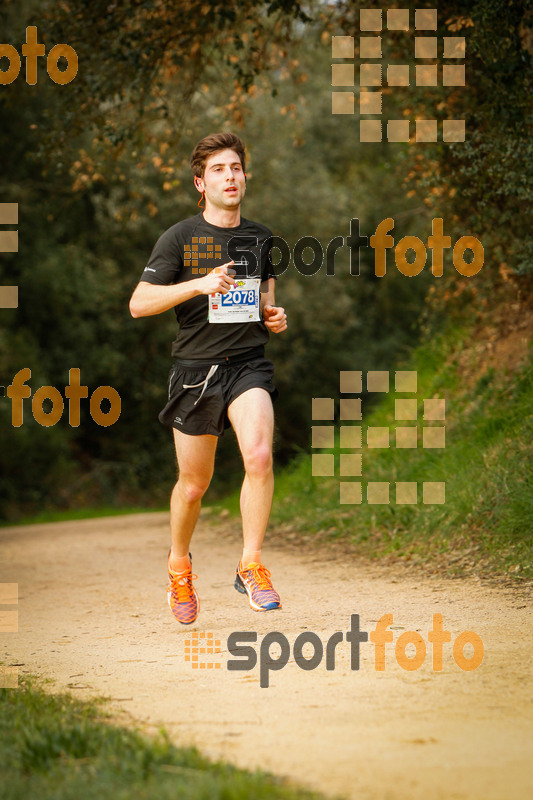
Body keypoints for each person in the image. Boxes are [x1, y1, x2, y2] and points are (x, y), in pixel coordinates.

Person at [129, 132, 287, 625]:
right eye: (219, 169)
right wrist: (197, 283)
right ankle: (179, 564)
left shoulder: (263, 240)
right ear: (201, 183)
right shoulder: (179, 239)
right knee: (194, 485)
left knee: (259, 456)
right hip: (196, 373)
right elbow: (138, 304)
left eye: (236, 167)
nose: (230, 176)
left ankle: (251, 564)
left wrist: (275, 317)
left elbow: (265, 305)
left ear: (245, 176)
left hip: (247, 365)